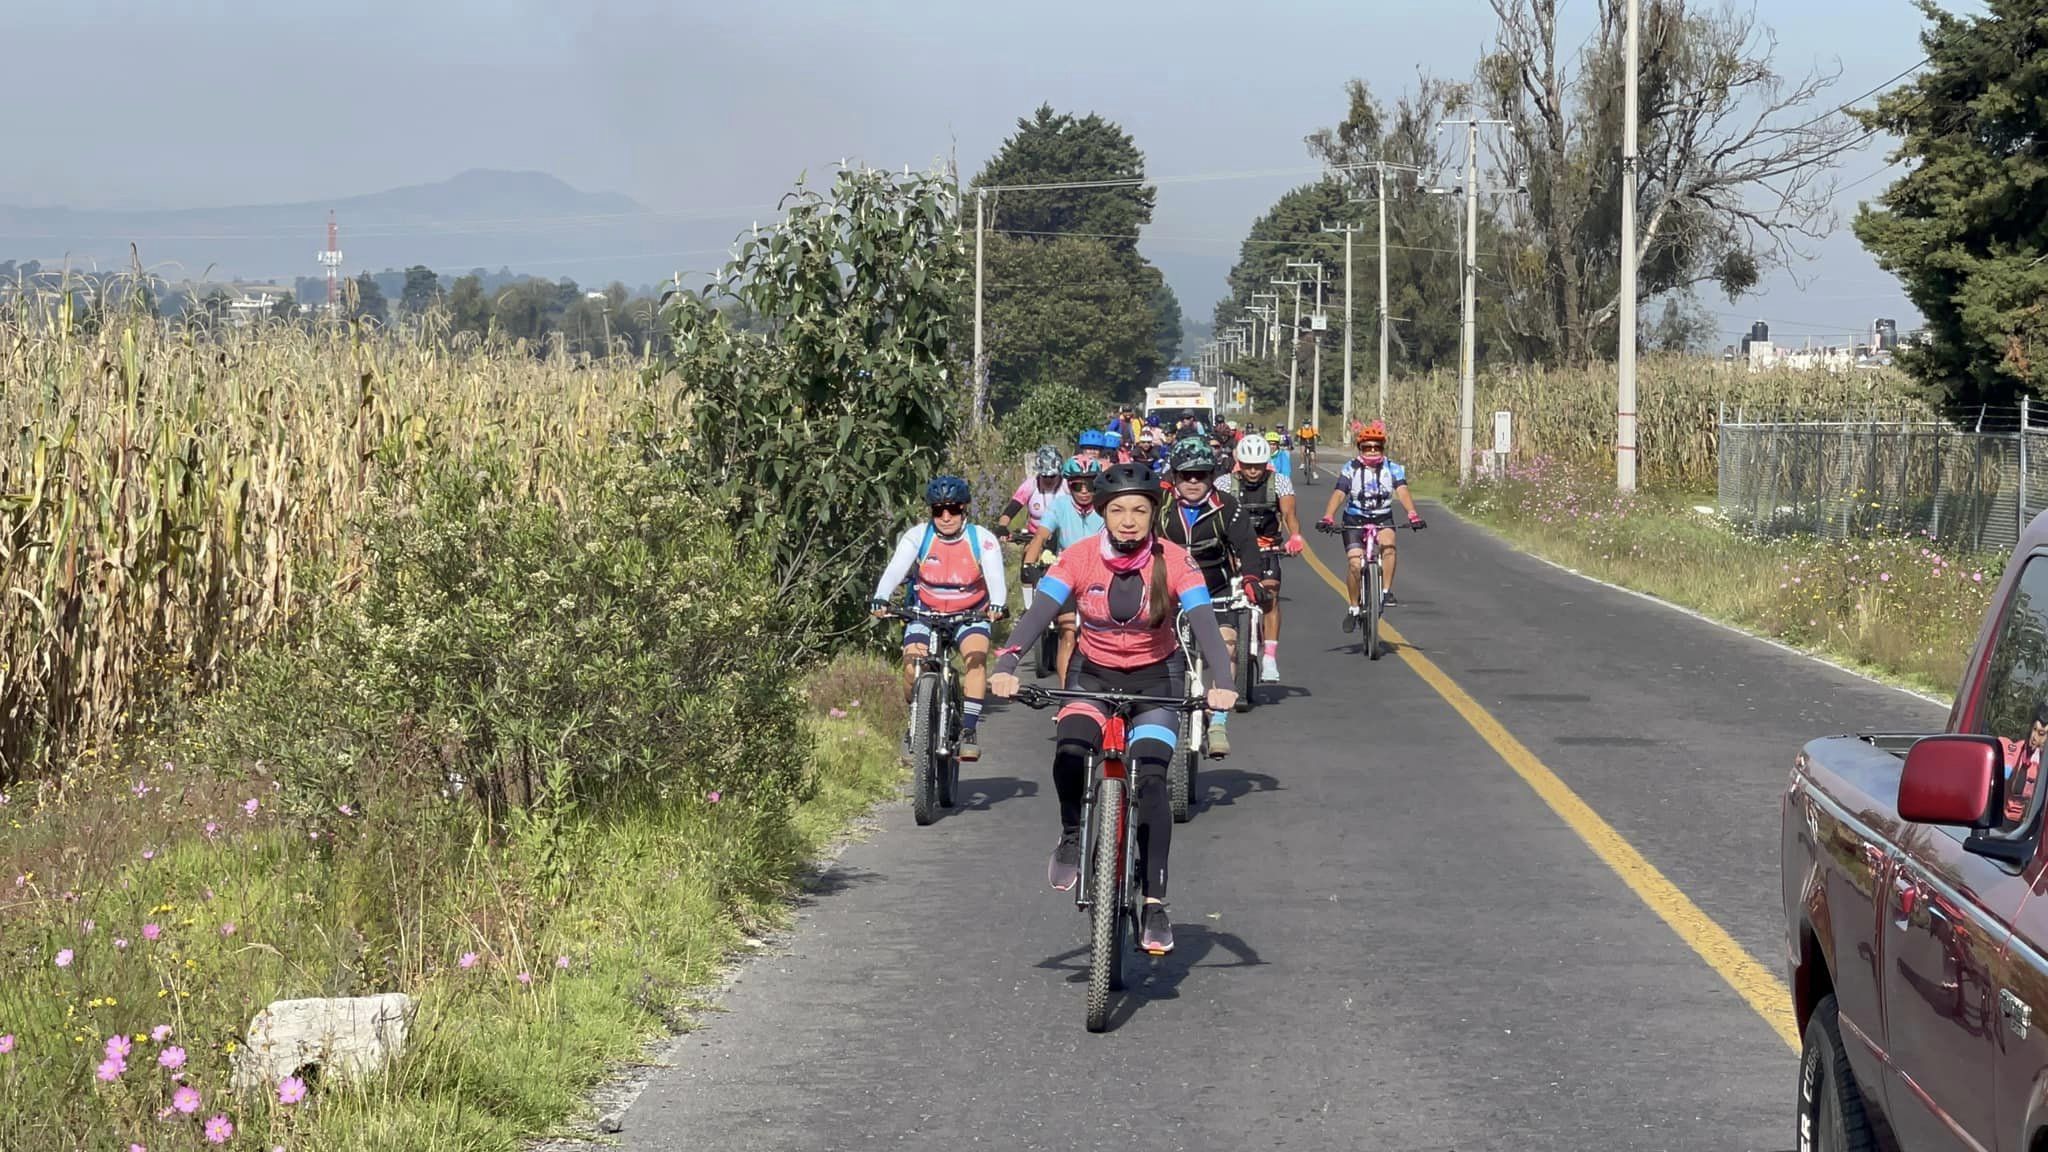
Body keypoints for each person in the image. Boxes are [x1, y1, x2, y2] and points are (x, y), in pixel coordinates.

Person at [990, 461, 1236, 955]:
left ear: (1153, 514)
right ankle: (1070, 832)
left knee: (1150, 783)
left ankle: (1155, 904)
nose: (1128, 520)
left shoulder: (1175, 560)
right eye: (1118, 510)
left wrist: (1224, 684)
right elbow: (1040, 611)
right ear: (1102, 512)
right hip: (1092, 673)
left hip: (1157, 679)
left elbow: (1207, 625)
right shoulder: (1080, 558)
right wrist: (1008, 660)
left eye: (1139, 510)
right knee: (1069, 750)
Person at [870, 476, 1008, 762]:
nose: (946, 517)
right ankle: (916, 723)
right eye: (938, 511)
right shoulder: (918, 536)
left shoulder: (981, 539)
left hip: (970, 613)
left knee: (976, 657)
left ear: (964, 510)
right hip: (925, 612)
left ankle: (968, 730)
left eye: (953, 510)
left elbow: (995, 577)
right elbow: (896, 569)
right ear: (931, 512)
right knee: (911, 666)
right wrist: (881, 596)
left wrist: (997, 605)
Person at [1155, 436, 1261, 757]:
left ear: (1211, 476)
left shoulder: (1228, 506)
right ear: (1173, 475)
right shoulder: (1159, 505)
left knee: (1226, 645)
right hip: (1167, 591)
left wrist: (1252, 579)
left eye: (1200, 474)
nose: (1192, 481)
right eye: (1185, 475)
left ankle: (1218, 721)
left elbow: (1247, 546)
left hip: (1213, 590)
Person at [1216, 434, 1305, 682]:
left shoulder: (1281, 482)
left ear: (1266, 462)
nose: (1253, 471)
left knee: (1271, 594)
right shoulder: (1224, 483)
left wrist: (1295, 536)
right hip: (1233, 550)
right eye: (1247, 465)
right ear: (1239, 463)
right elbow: (1217, 516)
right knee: (1224, 598)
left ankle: (1270, 657)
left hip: (1267, 546)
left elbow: (1289, 514)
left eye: (1258, 465)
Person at [1317, 420, 1425, 621]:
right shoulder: (1351, 468)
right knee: (1355, 564)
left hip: (1382, 516)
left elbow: (1402, 491)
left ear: (1383, 448)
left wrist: (1412, 514)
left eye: (1377, 447)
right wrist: (1328, 516)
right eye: (1368, 447)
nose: (1373, 451)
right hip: (1354, 518)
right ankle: (1354, 607)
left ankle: (1385, 592)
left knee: (1389, 547)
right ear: (1360, 448)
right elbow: (1340, 493)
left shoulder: (1393, 468)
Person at [1025, 457, 1105, 683]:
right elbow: (1041, 536)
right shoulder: (1060, 506)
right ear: (1068, 486)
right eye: (1076, 485)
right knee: (1067, 633)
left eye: (1090, 485)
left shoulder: (1106, 505)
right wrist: (1028, 564)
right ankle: (1065, 695)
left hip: (1101, 575)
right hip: (1070, 575)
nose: (1084, 491)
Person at [994, 446, 1067, 543]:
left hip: (1062, 538)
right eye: (1044, 475)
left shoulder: (1067, 486)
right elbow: (1011, 509)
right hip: (1034, 537)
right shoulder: (1031, 484)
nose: (1048, 479)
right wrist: (1002, 527)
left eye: (1052, 476)